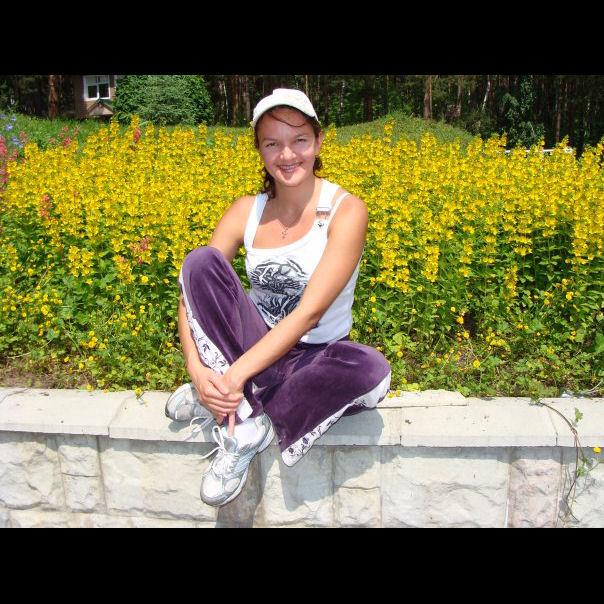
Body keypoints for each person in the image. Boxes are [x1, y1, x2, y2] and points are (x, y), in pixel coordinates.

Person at [165, 88, 391, 507]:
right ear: (259, 150)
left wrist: (231, 379)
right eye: (272, 143)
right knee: (199, 261)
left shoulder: (346, 211)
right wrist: (197, 370)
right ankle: (245, 423)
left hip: (314, 356)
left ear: (318, 141)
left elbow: (309, 314)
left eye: (299, 140)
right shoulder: (244, 211)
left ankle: (233, 402)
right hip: (254, 345)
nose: (287, 155)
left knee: (371, 370)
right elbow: (190, 293)